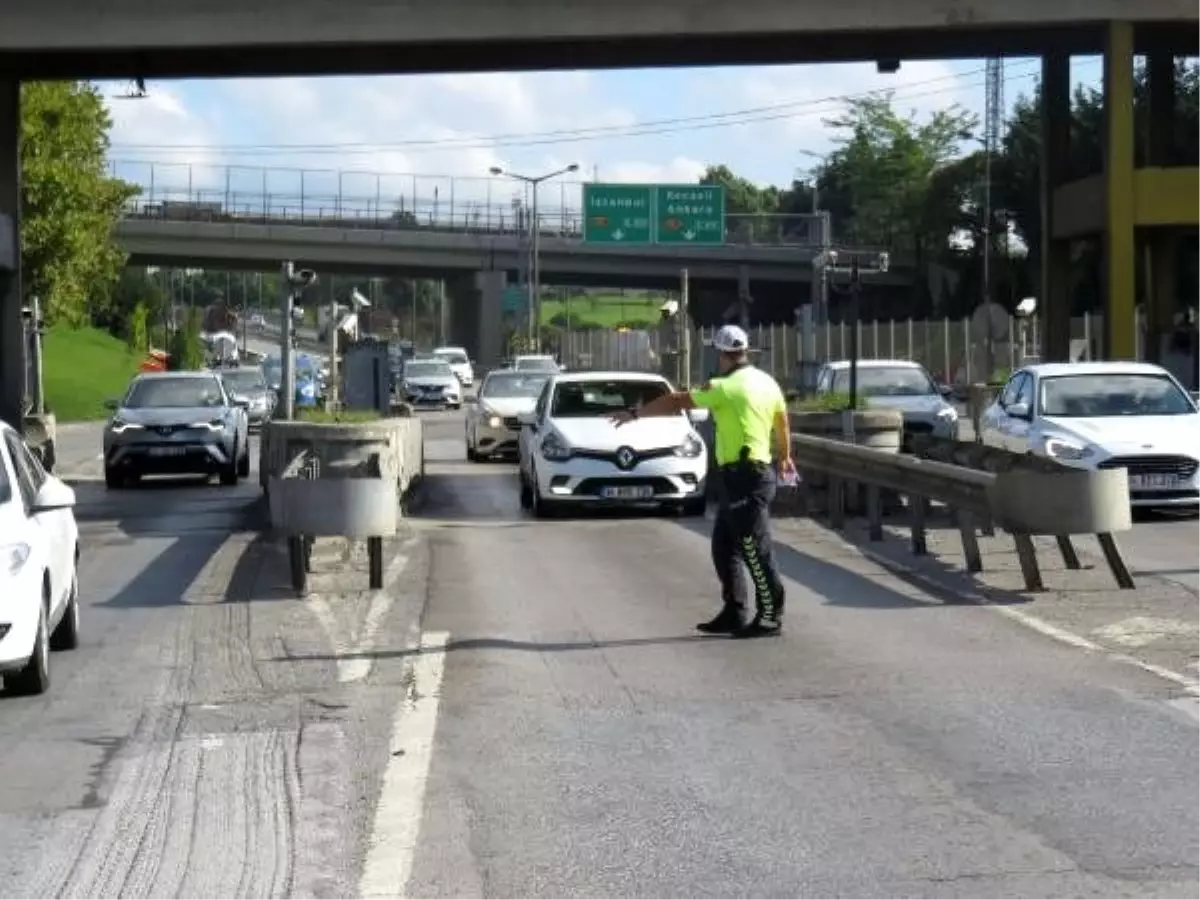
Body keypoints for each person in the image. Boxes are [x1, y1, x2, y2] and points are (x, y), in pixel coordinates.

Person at [609, 324, 794, 638]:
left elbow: (678, 401)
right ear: (745, 351)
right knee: (725, 546)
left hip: (746, 475)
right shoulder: (766, 382)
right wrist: (786, 455)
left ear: (721, 354)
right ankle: (735, 611)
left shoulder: (725, 387)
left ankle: (770, 616)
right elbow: (782, 420)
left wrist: (636, 413)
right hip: (751, 473)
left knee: (752, 546)